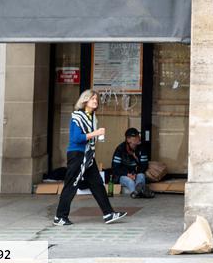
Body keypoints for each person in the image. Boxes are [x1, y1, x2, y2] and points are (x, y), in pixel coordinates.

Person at [54, 89, 127, 226]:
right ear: (85, 101)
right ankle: (60, 217)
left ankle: (108, 213)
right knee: (71, 185)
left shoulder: (92, 117)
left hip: (87, 156)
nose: (95, 101)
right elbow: (76, 138)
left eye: (96, 100)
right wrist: (95, 133)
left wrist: (96, 134)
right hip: (77, 155)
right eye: (93, 99)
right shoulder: (77, 116)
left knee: (97, 184)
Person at [112, 128, 154, 199]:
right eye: (136, 136)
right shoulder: (120, 149)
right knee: (130, 181)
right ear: (128, 139)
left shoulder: (142, 148)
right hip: (123, 175)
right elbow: (115, 167)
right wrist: (127, 174)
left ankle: (135, 193)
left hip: (136, 173)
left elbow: (144, 165)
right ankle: (143, 192)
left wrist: (135, 174)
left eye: (138, 135)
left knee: (141, 176)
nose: (139, 138)